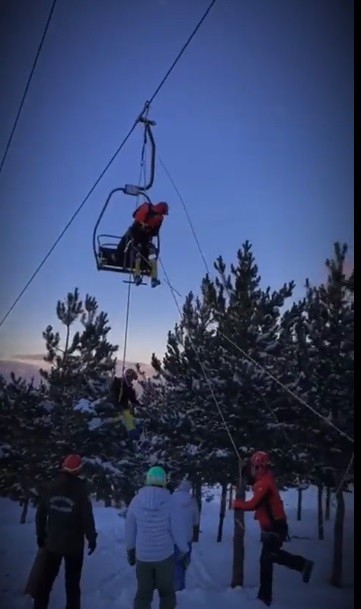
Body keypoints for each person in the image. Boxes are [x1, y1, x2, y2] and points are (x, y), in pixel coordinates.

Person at [233, 451, 314, 607]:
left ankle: (301, 565)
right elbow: (253, 480)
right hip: (269, 526)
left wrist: (236, 504)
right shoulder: (262, 478)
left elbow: (253, 504)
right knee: (267, 559)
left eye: (259, 467)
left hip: (275, 526)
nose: (257, 469)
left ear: (265, 466)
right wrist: (244, 471)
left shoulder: (265, 483)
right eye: (255, 466)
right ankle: (265, 596)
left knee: (269, 557)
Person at [33, 454, 97, 609]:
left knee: (45, 582)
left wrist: (41, 535)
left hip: (52, 543)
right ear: (78, 469)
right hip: (73, 546)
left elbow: (40, 513)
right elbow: (87, 517)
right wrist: (91, 538)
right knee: (72, 585)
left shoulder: (51, 486)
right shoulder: (81, 490)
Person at [125, 465, 189, 609]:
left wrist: (130, 549)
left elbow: (129, 528)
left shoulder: (136, 500)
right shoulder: (170, 501)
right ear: (164, 481)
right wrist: (184, 550)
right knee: (167, 593)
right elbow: (178, 529)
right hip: (164, 556)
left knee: (143, 594)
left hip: (143, 557)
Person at [116, 201, 169, 287]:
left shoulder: (158, 218)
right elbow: (136, 218)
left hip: (145, 236)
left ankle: (153, 278)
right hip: (135, 233)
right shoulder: (146, 209)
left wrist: (149, 229)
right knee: (137, 251)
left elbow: (155, 232)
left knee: (151, 253)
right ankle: (136, 274)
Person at [170, 479, 200, 591]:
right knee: (182, 564)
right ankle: (180, 587)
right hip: (187, 538)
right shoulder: (192, 501)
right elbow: (196, 520)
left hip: (173, 537)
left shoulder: (171, 499)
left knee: (172, 563)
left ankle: (172, 587)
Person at [111, 368, 142, 439]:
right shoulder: (118, 382)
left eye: (132, 379)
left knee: (130, 424)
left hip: (124, 408)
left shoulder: (130, 388)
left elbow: (133, 400)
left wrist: (141, 406)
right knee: (117, 426)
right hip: (115, 407)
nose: (130, 380)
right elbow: (113, 393)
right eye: (130, 378)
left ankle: (132, 438)